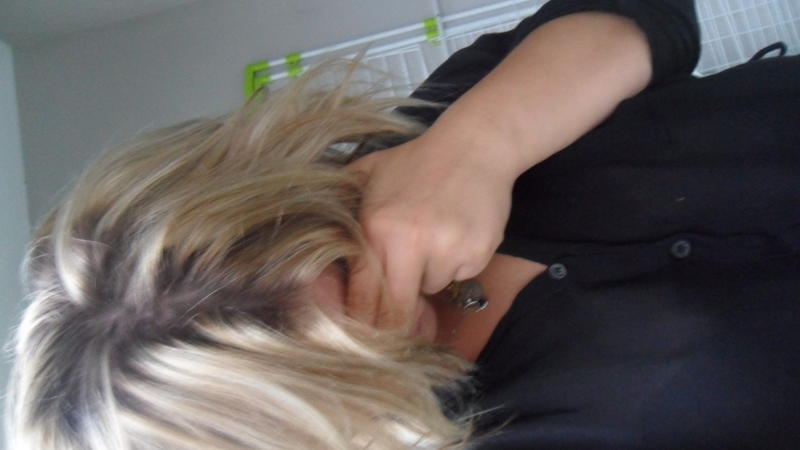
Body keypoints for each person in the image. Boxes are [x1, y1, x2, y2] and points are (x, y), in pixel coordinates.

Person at [6, 0, 799, 448]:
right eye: (337, 362)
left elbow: (652, 13)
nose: (384, 302)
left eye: (342, 264)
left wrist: (480, 141)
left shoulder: (412, 145)